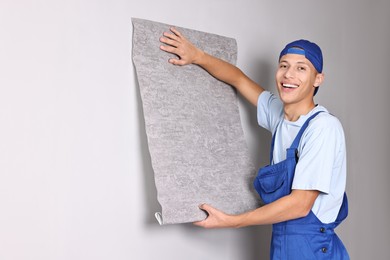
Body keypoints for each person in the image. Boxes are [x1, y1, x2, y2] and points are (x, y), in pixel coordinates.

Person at [160, 28, 349, 259]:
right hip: (282, 242)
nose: (289, 74)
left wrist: (233, 222)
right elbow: (238, 79)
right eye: (284, 65)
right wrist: (197, 56)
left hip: (312, 247)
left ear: (317, 79)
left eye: (301, 68)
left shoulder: (323, 128)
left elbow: (300, 205)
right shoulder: (279, 116)